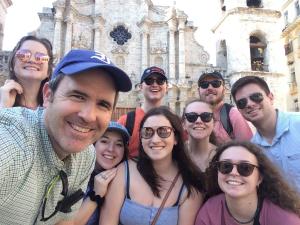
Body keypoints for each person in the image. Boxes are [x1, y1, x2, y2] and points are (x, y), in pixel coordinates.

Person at [0, 49, 132, 225]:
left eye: (103, 104)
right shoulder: (12, 142)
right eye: (77, 96)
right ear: (47, 95)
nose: (89, 116)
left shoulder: (86, 155)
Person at [100, 106, 205, 225]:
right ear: (141, 138)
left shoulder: (190, 184)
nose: (155, 139)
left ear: (175, 138)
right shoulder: (124, 171)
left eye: (163, 131)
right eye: (147, 132)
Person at [195, 141, 300, 225]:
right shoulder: (209, 211)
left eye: (245, 168)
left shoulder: (284, 219)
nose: (234, 173)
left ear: (259, 178)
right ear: (217, 172)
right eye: (226, 166)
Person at [231, 75, 300, 190]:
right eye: (242, 102)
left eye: (256, 97)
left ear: (271, 97)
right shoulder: (253, 150)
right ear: (239, 110)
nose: (249, 104)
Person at [74, 121, 129, 225]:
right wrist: (96, 193)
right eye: (104, 141)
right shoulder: (76, 174)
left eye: (118, 144)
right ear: (93, 143)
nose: (111, 149)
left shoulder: (126, 178)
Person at [118, 66, 168, 158]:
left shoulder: (172, 121)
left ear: (166, 87)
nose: (155, 84)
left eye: (160, 81)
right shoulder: (126, 121)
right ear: (140, 87)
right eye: (149, 81)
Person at [198, 71, 252, 145]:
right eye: (204, 85)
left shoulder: (233, 114)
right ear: (198, 91)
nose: (210, 88)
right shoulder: (192, 116)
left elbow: (248, 149)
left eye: (216, 84)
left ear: (224, 90)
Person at [0, 35, 53, 109]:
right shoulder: (2, 100)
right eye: (23, 54)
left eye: (41, 57)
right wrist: (3, 107)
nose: (32, 60)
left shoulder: (54, 108)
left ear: (48, 71)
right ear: (12, 64)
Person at [182, 99, 217, 172]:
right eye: (191, 117)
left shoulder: (223, 156)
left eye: (206, 116)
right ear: (184, 124)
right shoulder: (174, 154)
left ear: (214, 123)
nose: (198, 121)